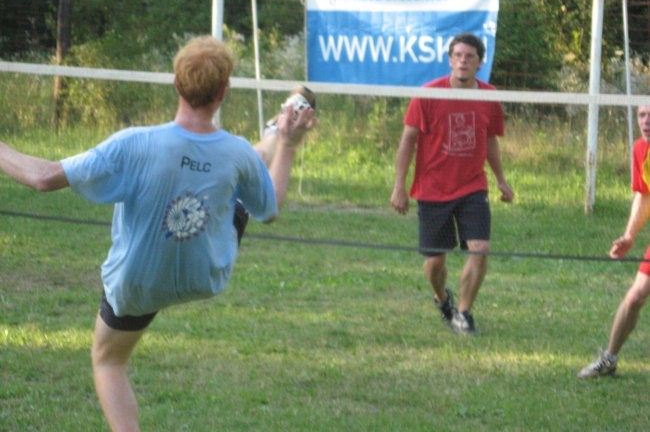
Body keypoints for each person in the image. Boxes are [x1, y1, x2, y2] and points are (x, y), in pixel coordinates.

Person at [0, 35, 316, 431]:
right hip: (204, 274)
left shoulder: (134, 144)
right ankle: (280, 130)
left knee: (108, 361)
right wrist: (289, 146)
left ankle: (276, 131)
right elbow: (269, 209)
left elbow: (43, 178)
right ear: (223, 93)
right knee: (245, 168)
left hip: (140, 282)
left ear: (176, 83)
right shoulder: (234, 152)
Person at [390, 32, 514, 335]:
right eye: (458, 55)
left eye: (469, 56)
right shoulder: (428, 94)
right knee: (435, 264)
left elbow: (490, 141)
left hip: (472, 186)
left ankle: (463, 313)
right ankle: (442, 297)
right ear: (449, 60)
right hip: (432, 189)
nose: (463, 61)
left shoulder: (489, 96)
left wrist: (501, 180)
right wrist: (399, 186)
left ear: (479, 62)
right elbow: (408, 141)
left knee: (480, 248)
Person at [578, 104, 650, 378]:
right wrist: (630, 235)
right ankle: (609, 359)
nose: (646, 121)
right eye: (642, 115)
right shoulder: (641, 148)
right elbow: (645, 196)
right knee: (634, 296)